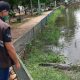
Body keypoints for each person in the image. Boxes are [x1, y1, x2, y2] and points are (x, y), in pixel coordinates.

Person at [0, 1, 20, 80]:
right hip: (2, 62)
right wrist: (17, 62)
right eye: (7, 11)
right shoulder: (4, 26)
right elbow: (9, 47)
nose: (8, 13)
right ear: (3, 11)